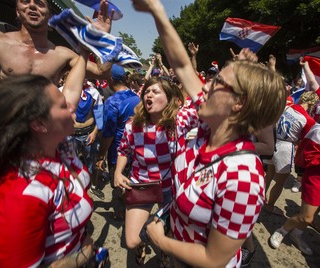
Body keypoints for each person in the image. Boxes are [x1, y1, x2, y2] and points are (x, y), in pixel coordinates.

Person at [131, 1, 286, 267]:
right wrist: (157, 11)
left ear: (238, 103)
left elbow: (214, 259)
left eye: (217, 82)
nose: (204, 88)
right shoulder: (207, 127)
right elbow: (181, 66)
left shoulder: (243, 177)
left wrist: (161, 240)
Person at [0, 75, 98, 267]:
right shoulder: (22, 195)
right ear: (39, 124)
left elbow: (72, 90)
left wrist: (82, 52)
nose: (73, 107)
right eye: (64, 106)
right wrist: (81, 256)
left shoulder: (60, 148)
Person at [0, 0, 113, 104]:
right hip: (4, 133)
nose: (32, 5)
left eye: (39, 3)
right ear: (18, 11)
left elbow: (102, 72)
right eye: (25, 1)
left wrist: (103, 39)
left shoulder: (62, 55)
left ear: (50, 15)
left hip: (44, 136)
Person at [114, 77, 198, 266]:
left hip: (170, 188)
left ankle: (164, 250)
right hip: (141, 185)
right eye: (147, 92)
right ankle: (146, 238)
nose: (149, 95)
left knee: (168, 233)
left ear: (169, 98)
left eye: (156, 91)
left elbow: (207, 109)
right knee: (132, 240)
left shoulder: (180, 122)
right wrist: (118, 173)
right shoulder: (132, 126)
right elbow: (123, 151)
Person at [270, 108, 320, 255]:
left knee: (314, 213)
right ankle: (282, 230)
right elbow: (305, 160)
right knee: (307, 216)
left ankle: (296, 234)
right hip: (317, 178)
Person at [264, 91, 319, 216]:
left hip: (274, 140)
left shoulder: (287, 106)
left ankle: (260, 198)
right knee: (281, 181)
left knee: (270, 173)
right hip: (286, 146)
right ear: (312, 104)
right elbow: (303, 139)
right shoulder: (308, 120)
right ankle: (270, 206)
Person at [96, 64, 140, 218]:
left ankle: (121, 214)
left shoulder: (112, 102)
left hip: (118, 151)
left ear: (110, 79)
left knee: (118, 180)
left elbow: (108, 134)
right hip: (135, 149)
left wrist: (101, 156)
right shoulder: (136, 97)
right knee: (130, 180)